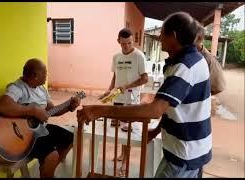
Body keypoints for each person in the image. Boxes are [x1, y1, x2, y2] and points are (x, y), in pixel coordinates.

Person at [78, 12, 212, 178]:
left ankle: (124, 157)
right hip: (187, 149)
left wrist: (99, 110)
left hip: (184, 153)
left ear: (174, 36)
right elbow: (173, 107)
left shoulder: (184, 67)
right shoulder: (191, 60)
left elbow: (155, 110)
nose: (160, 37)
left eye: (162, 33)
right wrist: (155, 131)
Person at [0, 58, 80, 178]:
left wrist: (69, 107)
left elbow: (51, 111)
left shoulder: (41, 89)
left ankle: (47, 171)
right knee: (52, 155)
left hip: (40, 129)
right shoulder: (17, 88)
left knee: (71, 138)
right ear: (35, 75)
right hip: (24, 136)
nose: (46, 76)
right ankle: (48, 168)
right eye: (45, 73)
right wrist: (32, 110)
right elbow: (2, 106)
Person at [98, 28, 148, 176]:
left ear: (133, 41)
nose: (126, 46)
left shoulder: (139, 56)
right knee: (119, 128)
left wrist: (127, 86)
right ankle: (121, 154)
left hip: (131, 99)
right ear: (118, 41)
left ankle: (125, 161)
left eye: (129, 43)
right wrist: (109, 90)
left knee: (128, 130)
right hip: (118, 97)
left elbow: (145, 78)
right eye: (123, 43)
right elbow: (115, 76)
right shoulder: (116, 57)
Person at [195, 21, 226, 178]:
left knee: (197, 148)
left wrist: (201, 93)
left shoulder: (208, 59)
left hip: (200, 111)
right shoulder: (188, 57)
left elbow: (219, 86)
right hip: (189, 113)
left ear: (199, 39)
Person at [195, 22, 226, 95]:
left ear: (198, 38)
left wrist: (200, 97)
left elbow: (218, 88)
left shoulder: (209, 59)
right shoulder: (182, 55)